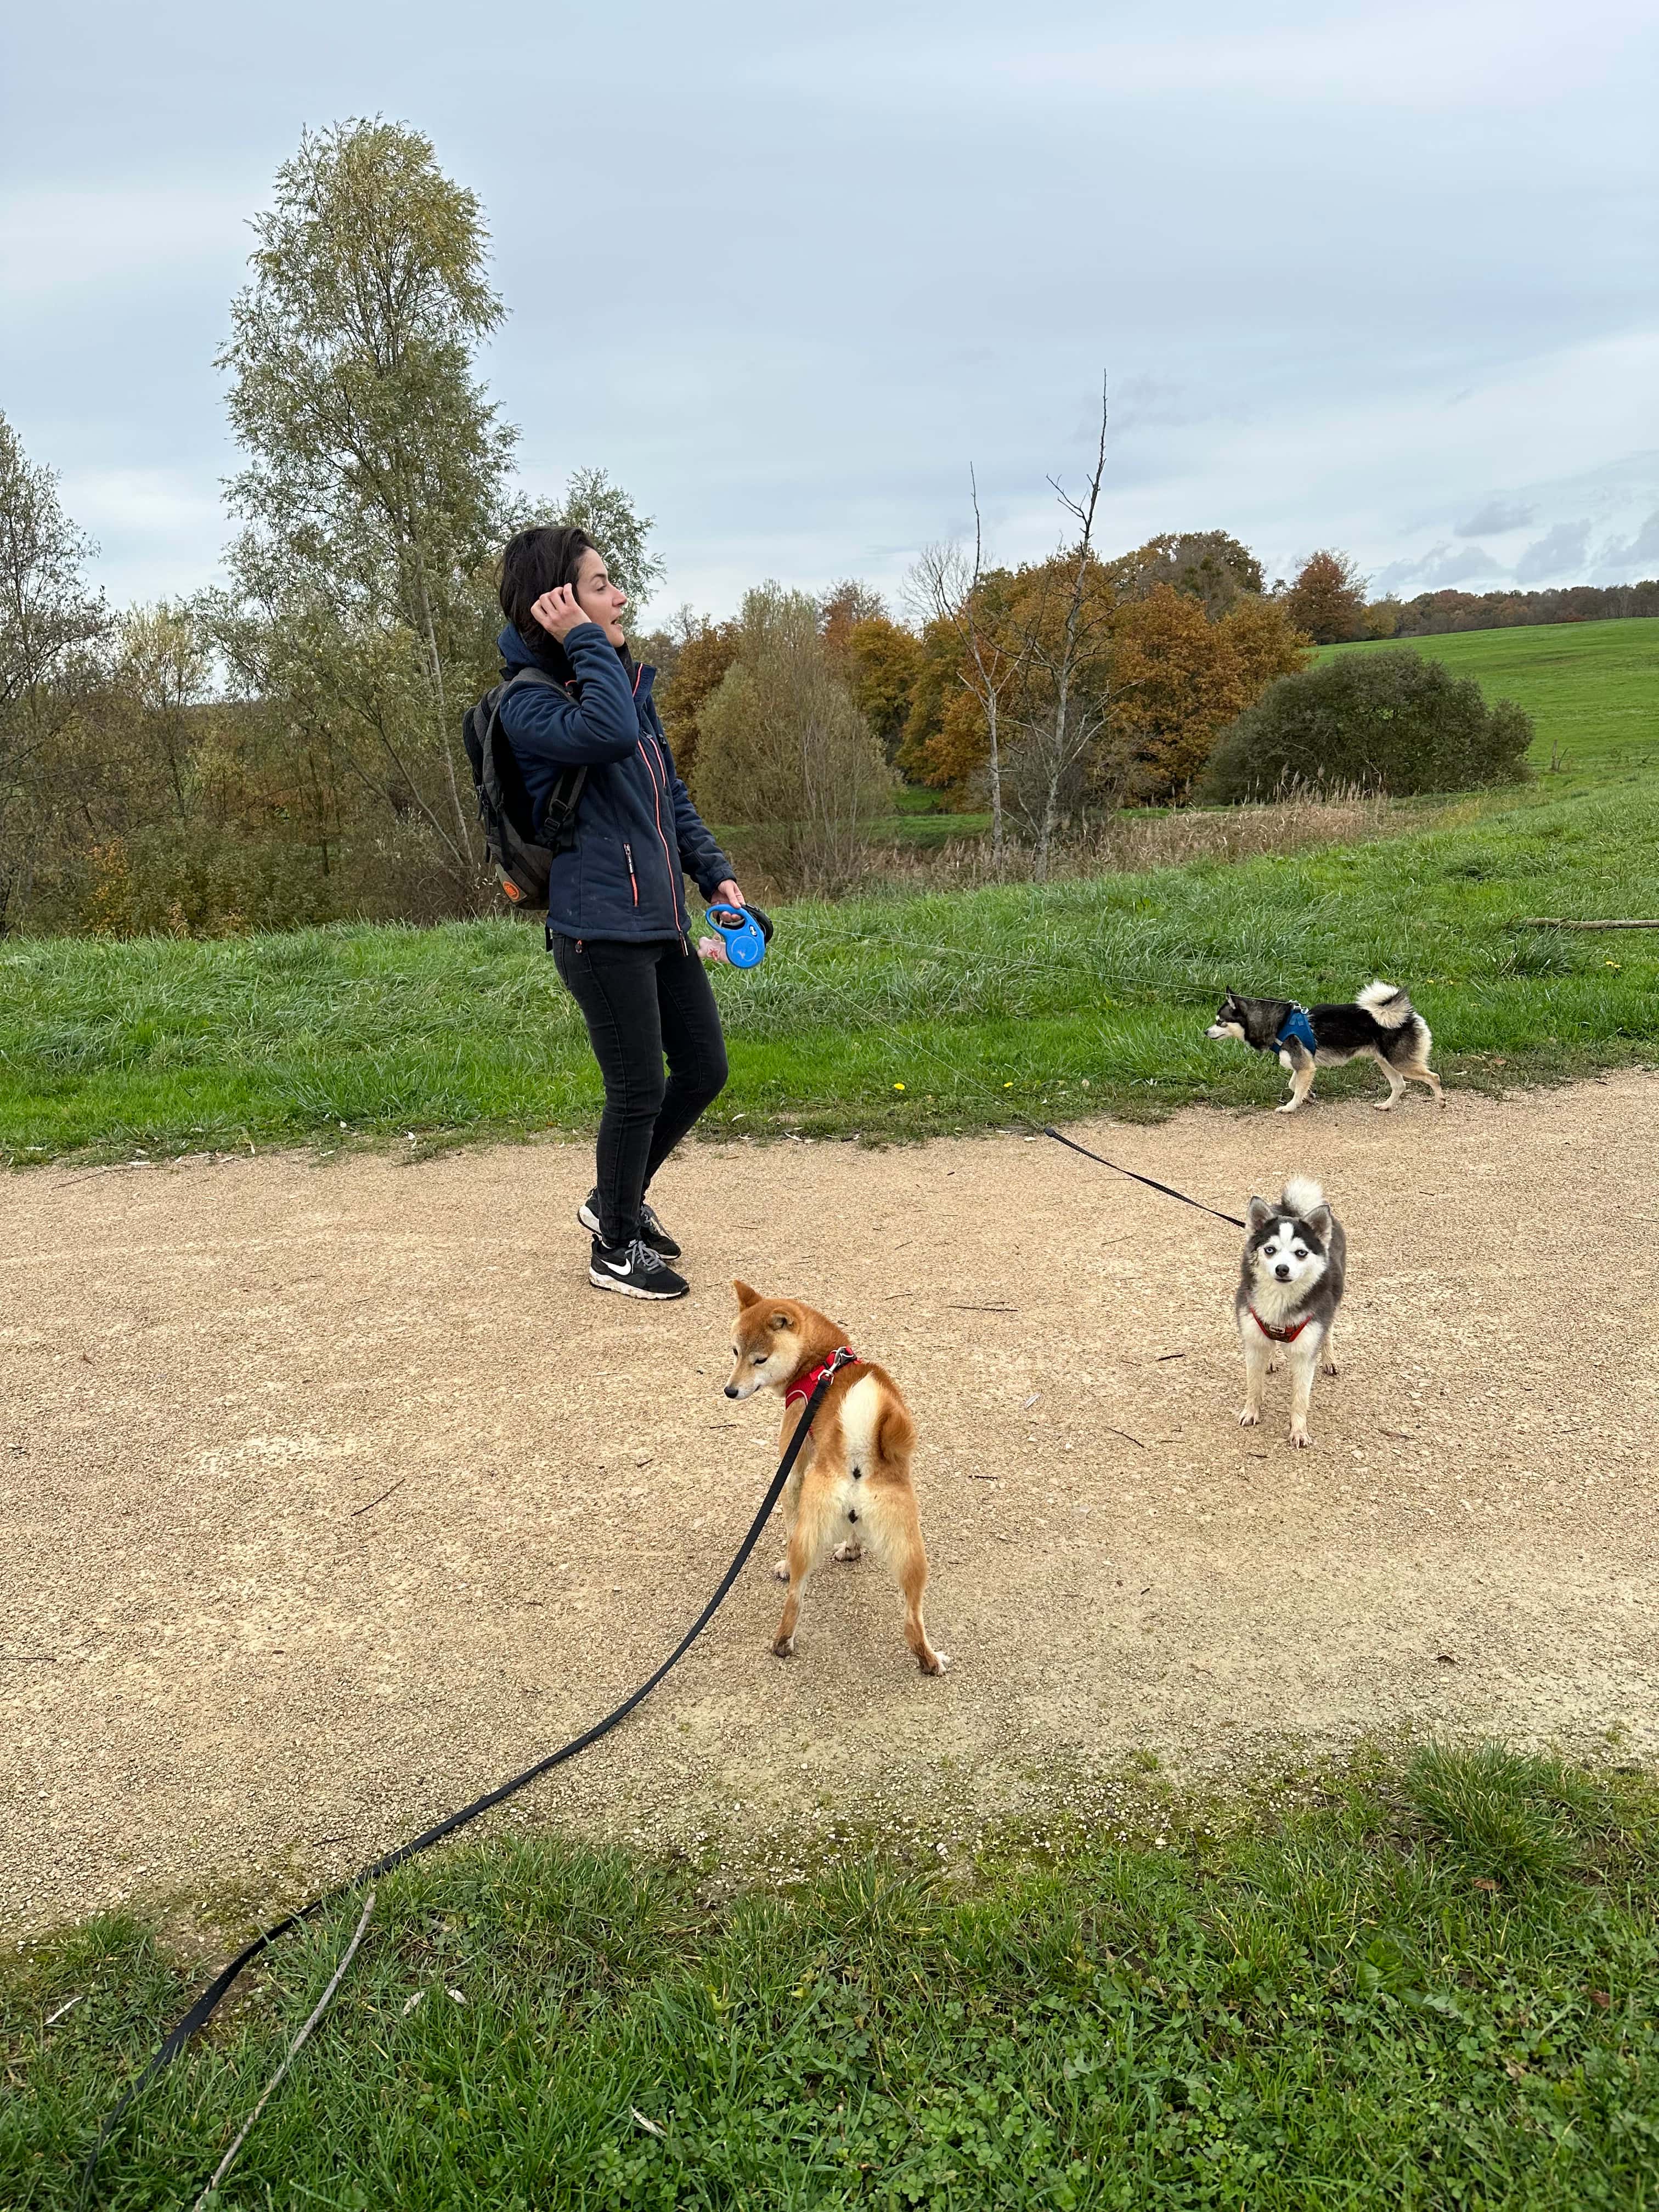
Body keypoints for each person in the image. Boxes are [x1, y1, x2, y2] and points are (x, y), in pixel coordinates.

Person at [495, 524, 747, 1302]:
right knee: (637, 1087)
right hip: (597, 928)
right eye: (601, 584)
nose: (622, 595)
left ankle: (615, 1198)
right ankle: (614, 1246)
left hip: (660, 918)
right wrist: (582, 642)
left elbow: (669, 795)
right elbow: (603, 734)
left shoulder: (625, 687)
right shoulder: (526, 705)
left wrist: (716, 877)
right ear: (558, 604)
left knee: (703, 1069)